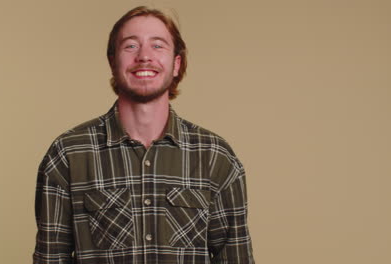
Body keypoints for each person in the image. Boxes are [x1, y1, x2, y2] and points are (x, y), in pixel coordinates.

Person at [33, 6, 255, 264]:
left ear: (176, 63)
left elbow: (235, 258)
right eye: (130, 46)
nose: (144, 56)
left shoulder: (215, 157)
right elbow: (51, 259)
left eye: (158, 45)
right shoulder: (68, 154)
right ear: (113, 62)